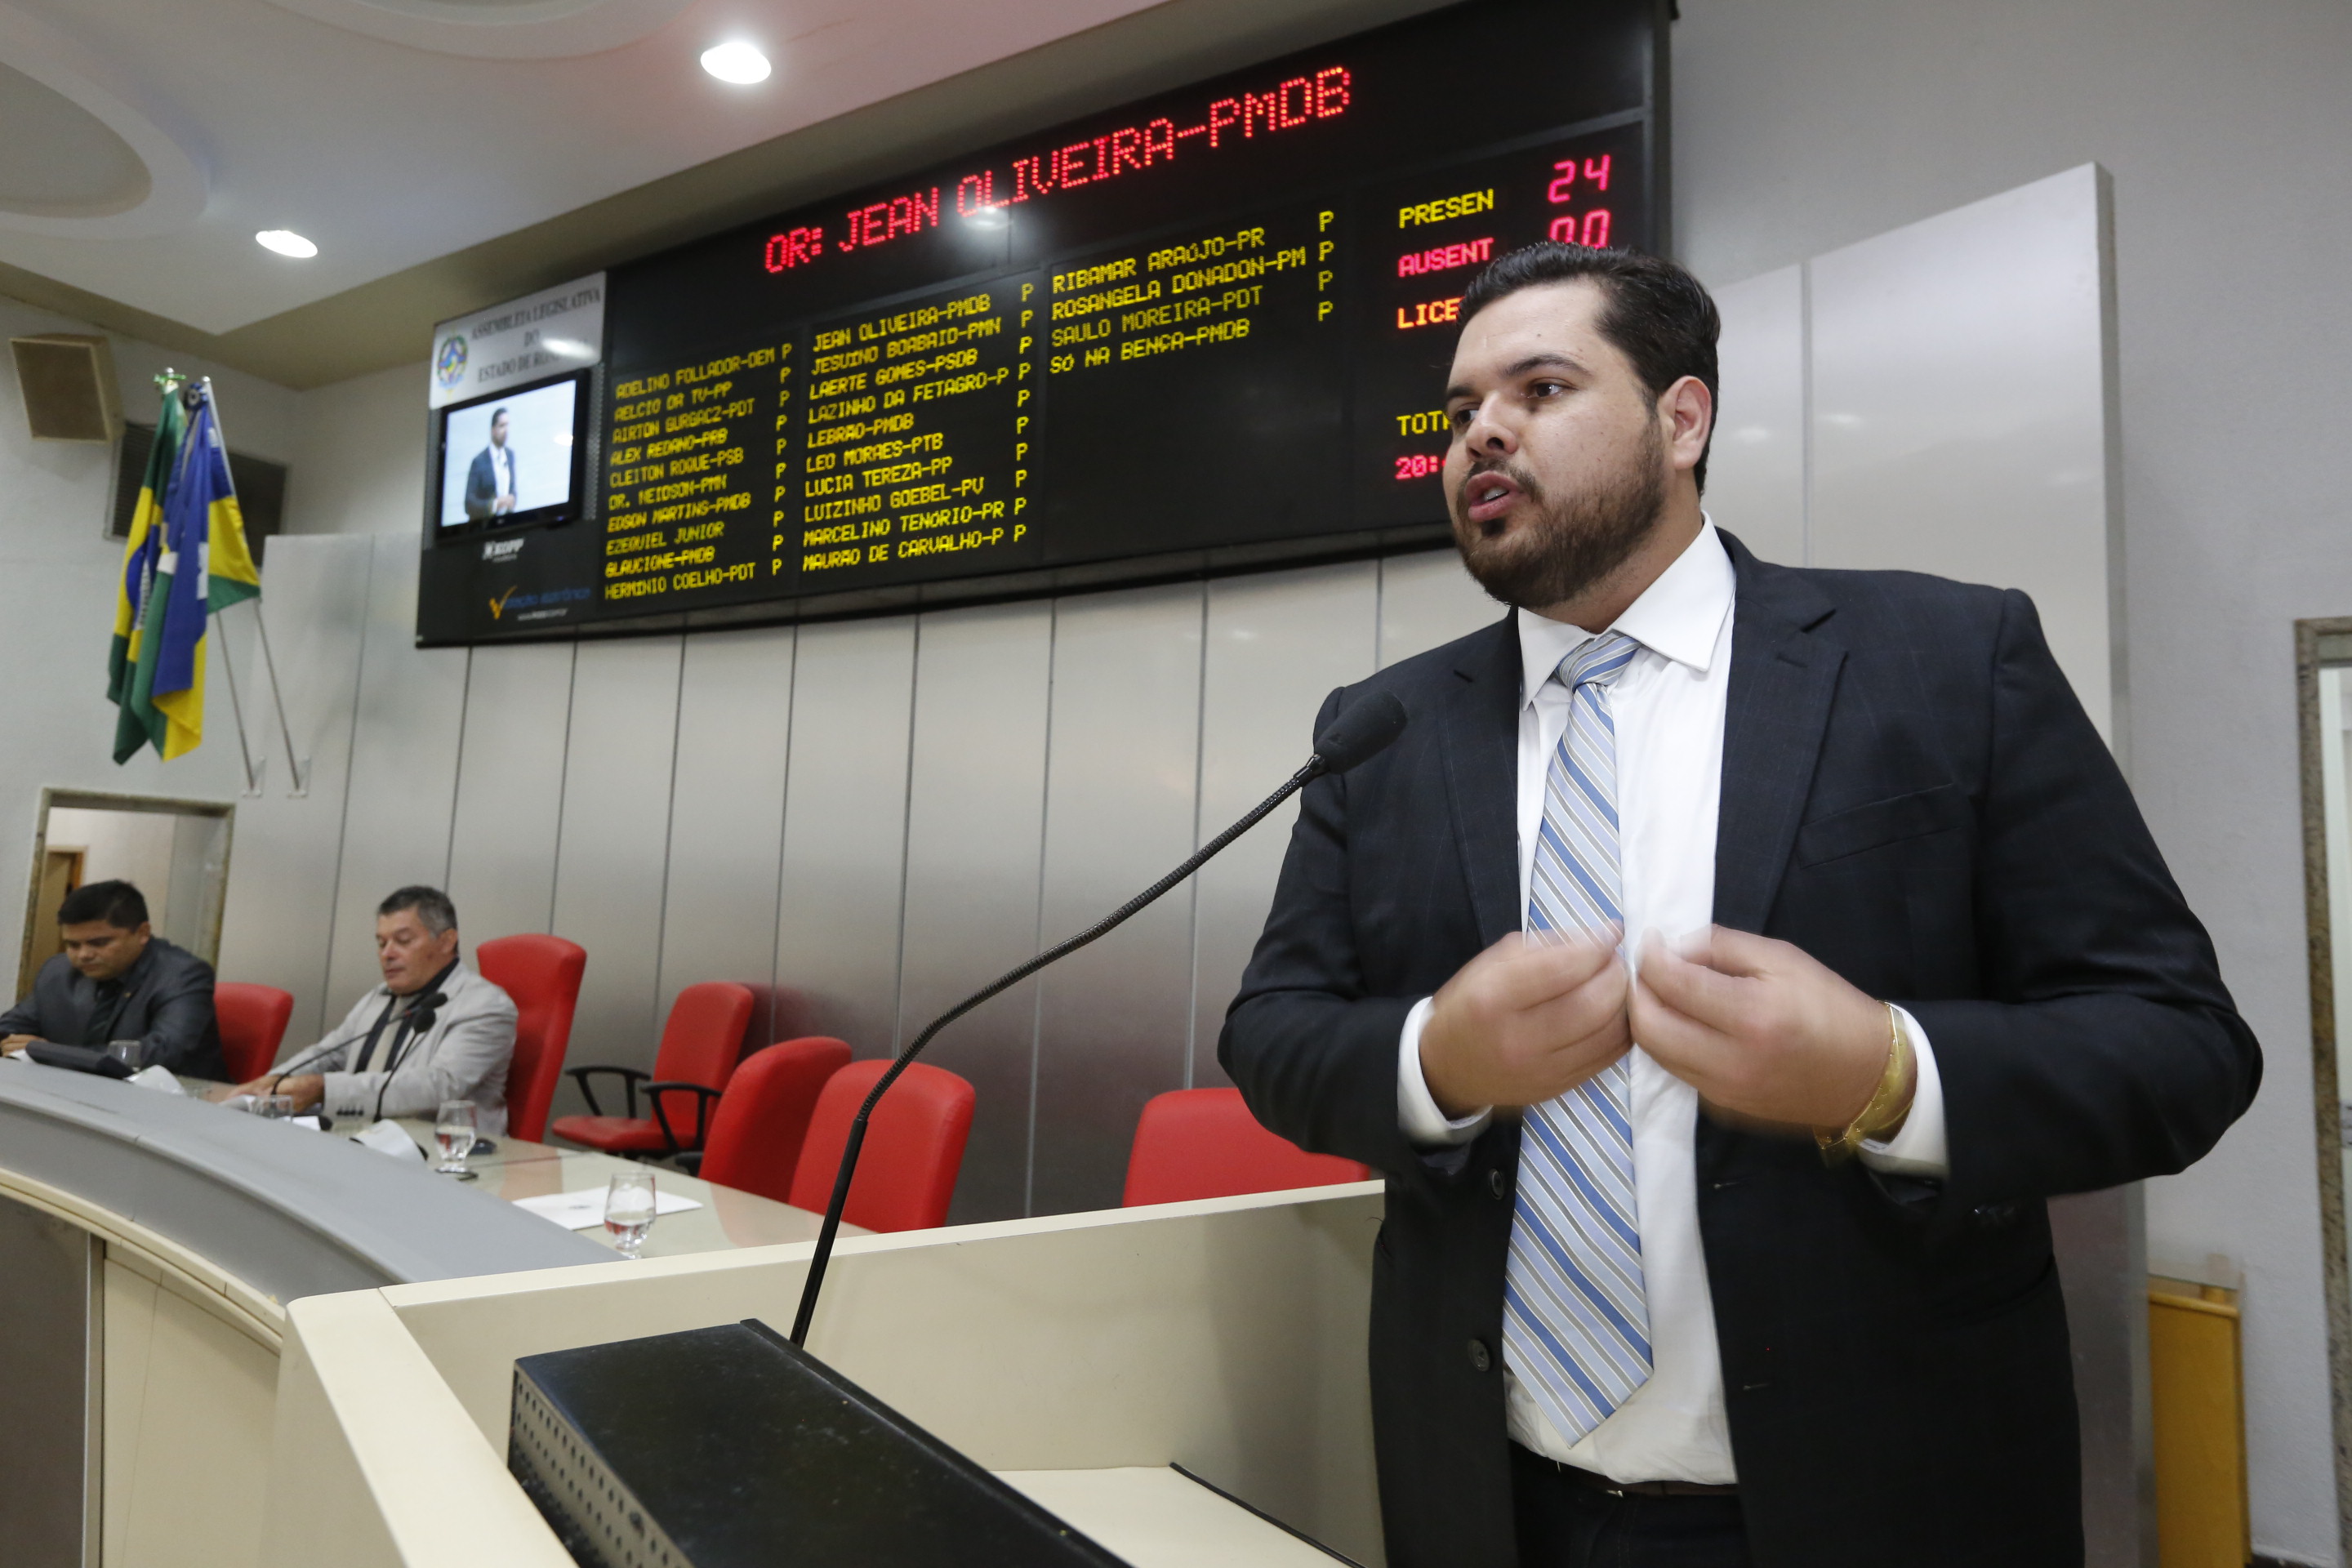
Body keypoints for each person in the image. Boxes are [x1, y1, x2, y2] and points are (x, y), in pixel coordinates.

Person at [1219, 243, 2261, 1568]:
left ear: (1682, 419)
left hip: (1879, 1502)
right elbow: (1273, 1031)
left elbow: (2181, 1049)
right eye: (1459, 408)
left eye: (1540, 388)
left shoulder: (1945, 663)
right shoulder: (1383, 727)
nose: (1482, 429)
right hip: (1491, 1505)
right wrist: (1436, 1060)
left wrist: (1886, 1074)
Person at [225, 885, 517, 1133]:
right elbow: (328, 1055)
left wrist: (323, 1089)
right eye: (381, 943)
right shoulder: (379, 997)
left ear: (446, 941)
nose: (387, 954)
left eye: (403, 941)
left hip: (439, 1153)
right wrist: (275, 1083)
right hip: (355, 1138)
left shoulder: (485, 1006)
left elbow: (439, 1086)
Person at [1, 880, 225, 1077]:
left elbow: (164, 1052)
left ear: (143, 933)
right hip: (76, 1093)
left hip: (172, 1103)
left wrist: (51, 1053)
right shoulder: (57, 971)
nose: (83, 955)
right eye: (72, 945)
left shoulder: (182, 974)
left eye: (99, 943)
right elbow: (13, 1027)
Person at [464, 407, 518, 521]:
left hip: (507, 526)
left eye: (507, 425)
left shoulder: (510, 455)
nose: (506, 430)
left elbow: (512, 489)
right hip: (484, 528)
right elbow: (469, 503)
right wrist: (495, 505)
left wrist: (512, 499)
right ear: (493, 430)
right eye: (502, 426)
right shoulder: (479, 461)